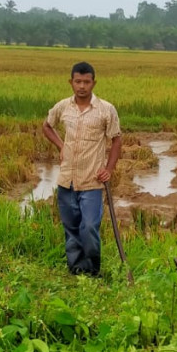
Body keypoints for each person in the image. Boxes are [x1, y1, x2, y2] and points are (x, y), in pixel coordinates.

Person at [41, 61, 122, 277]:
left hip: (92, 181)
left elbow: (116, 140)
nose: (82, 86)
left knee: (88, 227)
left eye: (86, 82)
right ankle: (75, 270)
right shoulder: (63, 107)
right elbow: (47, 126)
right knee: (71, 228)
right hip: (66, 179)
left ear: (93, 83)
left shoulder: (106, 110)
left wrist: (109, 169)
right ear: (71, 82)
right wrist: (62, 146)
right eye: (78, 81)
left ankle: (93, 270)